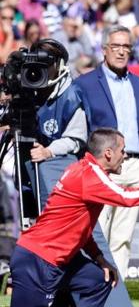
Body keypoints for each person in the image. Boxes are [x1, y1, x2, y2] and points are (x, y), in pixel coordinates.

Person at [5, 129, 139, 307]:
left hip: (58, 259)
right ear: (108, 153)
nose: (125, 156)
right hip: (37, 260)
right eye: (123, 150)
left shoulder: (84, 169)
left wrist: (100, 259)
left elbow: (82, 228)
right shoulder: (91, 175)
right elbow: (127, 197)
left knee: (100, 279)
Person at [74, 25, 139, 280]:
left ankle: (116, 295)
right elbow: (79, 125)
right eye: (116, 46)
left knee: (123, 236)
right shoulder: (85, 83)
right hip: (102, 167)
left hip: (133, 165)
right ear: (104, 50)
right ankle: (93, 289)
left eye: (126, 47)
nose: (121, 52)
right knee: (98, 232)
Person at [21, 39, 86, 212]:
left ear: (59, 65)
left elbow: (75, 139)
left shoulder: (72, 95)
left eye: (46, 64)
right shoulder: (29, 90)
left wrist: (48, 151)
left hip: (63, 171)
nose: (40, 70)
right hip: (34, 168)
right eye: (36, 64)